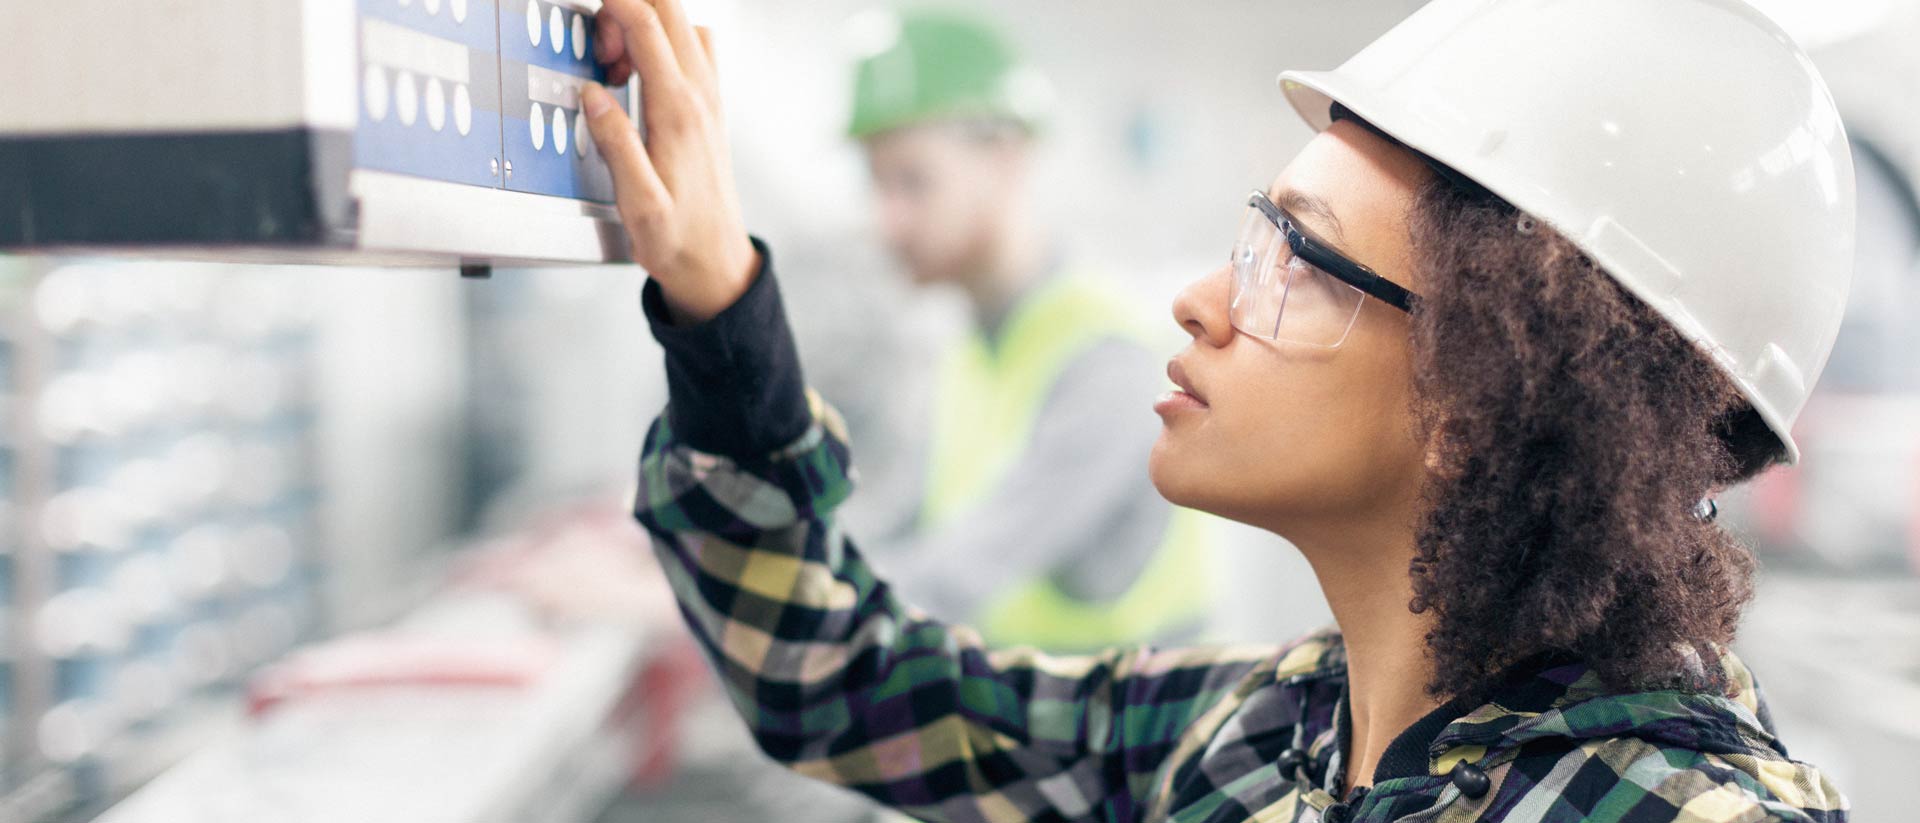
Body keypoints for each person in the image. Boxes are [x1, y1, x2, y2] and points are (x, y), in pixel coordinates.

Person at [580, 0, 1852, 819]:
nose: (1199, 302)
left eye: (1299, 261)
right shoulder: (1272, 735)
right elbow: (849, 685)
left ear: (1494, 383)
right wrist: (717, 303)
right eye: (1257, 239)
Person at [837, 7, 1209, 650]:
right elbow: (906, 528)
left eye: (911, 182)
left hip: (1143, 731)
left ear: (1005, 160)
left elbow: (955, 573)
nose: (885, 222)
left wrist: (744, 602)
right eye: (876, 185)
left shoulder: (1104, 354)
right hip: (1040, 722)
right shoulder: (968, 345)